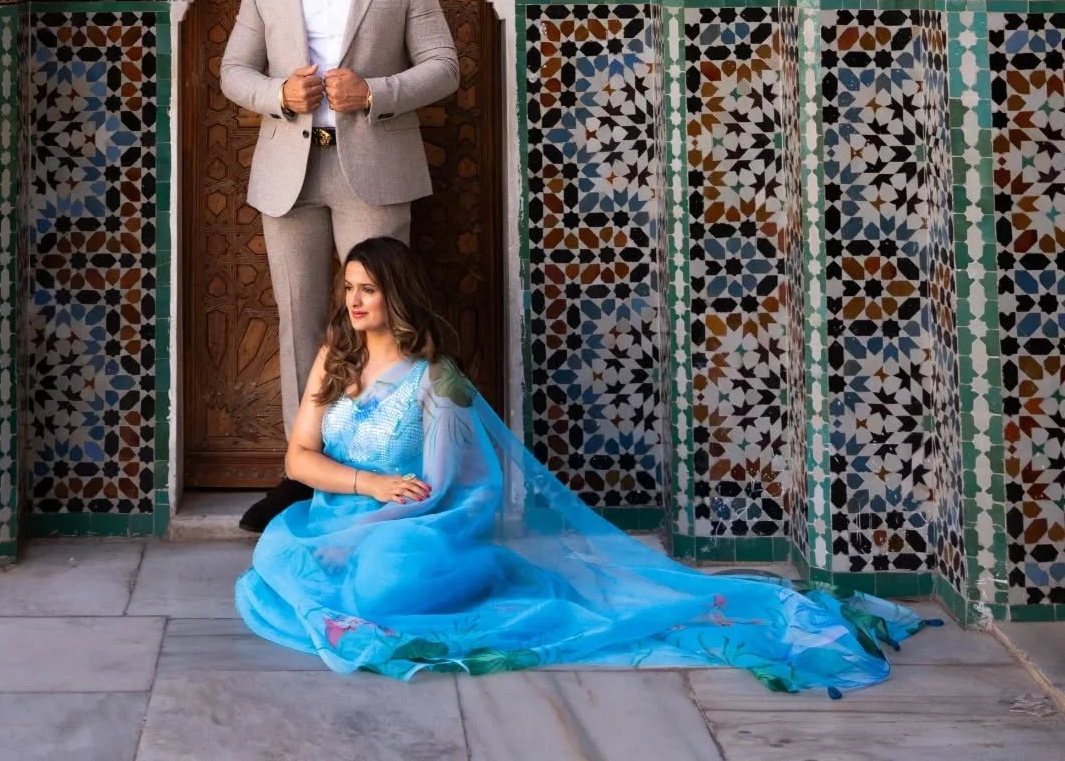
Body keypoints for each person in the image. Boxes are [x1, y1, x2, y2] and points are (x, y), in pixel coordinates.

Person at [236, 238, 925, 690]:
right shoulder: (335, 357)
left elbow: (443, 489)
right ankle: (355, 562)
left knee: (378, 590)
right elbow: (300, 457)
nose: (354, 302)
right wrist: (364, 489)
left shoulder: (435, 378)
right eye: (349, 288)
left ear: (398, 295)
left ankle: (479, 573)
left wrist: (377, 519)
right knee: (276, 555)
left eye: (368, 289)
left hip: (415, 526)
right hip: (342, 511)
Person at [219, 0, 459, 534]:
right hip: (289, 174)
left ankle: (393, 472)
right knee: (299, 321)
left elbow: (444, 66)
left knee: (386, 318)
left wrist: (374, 92)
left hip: (373, 168)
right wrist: (279, 95)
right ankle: (302, 478)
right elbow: (234, 70)